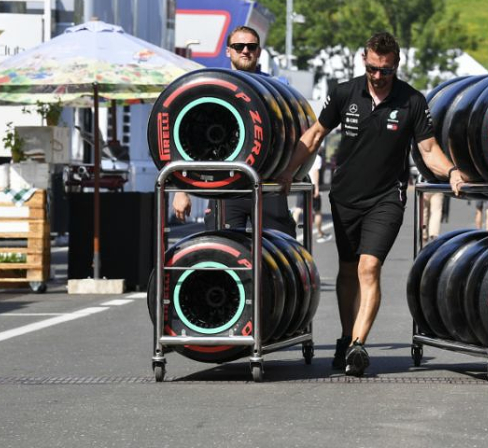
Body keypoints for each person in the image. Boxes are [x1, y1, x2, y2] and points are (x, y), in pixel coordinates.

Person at [275, 32, 464, 377]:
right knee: (347, 271)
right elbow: (315, 135)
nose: (379, 76)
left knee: (368, 268)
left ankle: (359, 345)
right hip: (345, 197)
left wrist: (451, 171)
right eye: (374, 69)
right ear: (364, 60)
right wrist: (288, 171)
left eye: (386, 71)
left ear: (397, 65)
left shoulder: (412, 102)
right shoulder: (346, 93)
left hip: (386, 199)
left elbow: (428, 150)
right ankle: (347, 339)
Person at [171, 26, 296, 237]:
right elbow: (189, 142)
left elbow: (297, 134)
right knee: (223, 254)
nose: (245, 50)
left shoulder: (278, 88)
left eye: (251, 46)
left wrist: (292, 171)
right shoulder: (213, 87)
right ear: (228, 51)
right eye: (239, 46)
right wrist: (182, 190)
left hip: (268, 185)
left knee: (278, 254)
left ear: (259, 51)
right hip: (226, 186)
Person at [310, 153, 332, 243]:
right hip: (312, 186)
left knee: (298, 208)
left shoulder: (306, 155)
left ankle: (292, 234)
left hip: (303, 184)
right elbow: (316, 172)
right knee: (317, 212)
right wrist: (317, 188)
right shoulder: (317, 157)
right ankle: (319, 233)